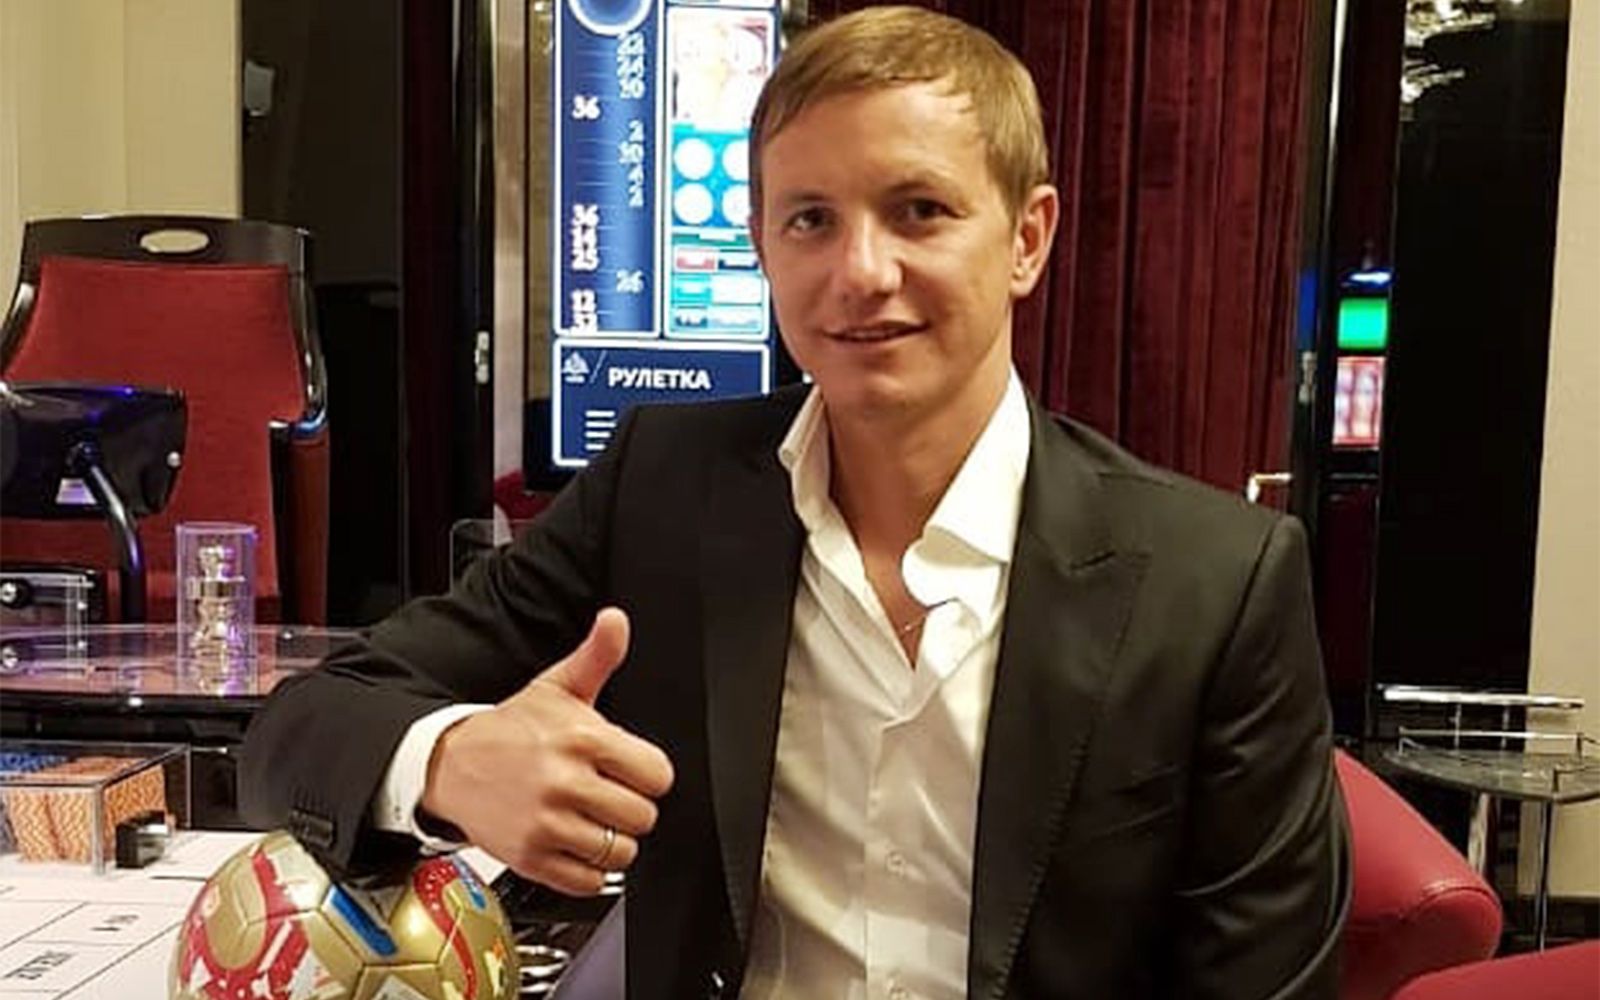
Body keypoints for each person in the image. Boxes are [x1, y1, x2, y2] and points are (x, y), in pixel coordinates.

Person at [240, 7, 1348, 998]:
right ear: (762, 245)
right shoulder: (665, 488)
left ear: (1027, 237)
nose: (860, 272)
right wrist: (450, 760)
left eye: (919, 210)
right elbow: (299, 729)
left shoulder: (1215, 582)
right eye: (810, 219)